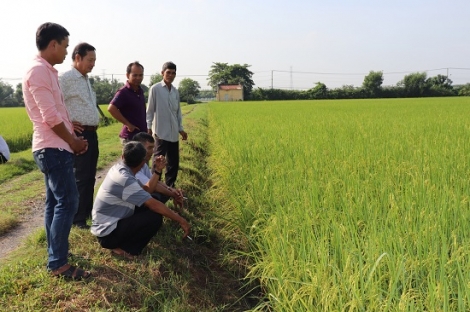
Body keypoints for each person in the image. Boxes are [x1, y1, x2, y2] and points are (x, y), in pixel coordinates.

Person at [23, 22, 90, 280]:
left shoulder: (47, 71)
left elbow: (55, 113)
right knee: (69, 202)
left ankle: (56, 254)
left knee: (55, 202)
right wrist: (72, 142)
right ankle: (59, 264)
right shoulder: (38, 71)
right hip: (52, 148)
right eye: (64, 46)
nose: (66, 52)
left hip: (54, 145)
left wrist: (70, 131)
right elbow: (49, 117)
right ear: (53, 44)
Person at [91, 141, 190, 259]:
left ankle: (124, 242)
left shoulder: (120, 169)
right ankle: (125, 249)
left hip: (108, 225)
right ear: (143, 162)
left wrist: (158, 170)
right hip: (107, 235)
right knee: (154, 217)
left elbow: (146, 190)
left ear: (123, 156)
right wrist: (181, 220)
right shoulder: (125, 179)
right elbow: (154, 205)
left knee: (152, 200)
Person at [59, 42, 99, 229]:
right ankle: (78, 218)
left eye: (94, 60)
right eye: (90, 60)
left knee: (90, 176)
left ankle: (87, 212)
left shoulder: (85, 79)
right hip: (79, 134)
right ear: (77, 58)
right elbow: (53, 104)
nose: (93, 64)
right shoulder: (65, 79)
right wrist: (67, 123)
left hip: (92, 134)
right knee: (81, 177)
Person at [146, 61, 187, 189]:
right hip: (160, 133)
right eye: (168, 72)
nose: (171, 75)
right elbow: (150, 110)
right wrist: (148, 127)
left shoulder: (175, 91)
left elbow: (178, 112)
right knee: (158, 161)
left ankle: (170, 188)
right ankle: (154, 187)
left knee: (173, 163)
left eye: (173, 73)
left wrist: (181, 129)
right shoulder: (155, 89)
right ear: (162, 73)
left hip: (173, 133)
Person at [132, 132, 184, 206]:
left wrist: (170, 189)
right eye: (149, 148)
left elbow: (155, 182)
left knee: (162, 192)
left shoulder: (143, 164)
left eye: (153, 148)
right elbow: (152, 187)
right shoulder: (133, 167)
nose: (153, 151)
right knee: (157, 196)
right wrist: (173, 194)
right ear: (138, 148)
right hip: (127, 209)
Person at [108, 61, 147, 144]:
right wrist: (128, 124)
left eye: (140, 75)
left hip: (141, 136)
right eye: (135, 75)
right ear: (127, 75)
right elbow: (111, 108)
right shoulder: (123, 92)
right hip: (130, 137)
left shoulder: (140, 91)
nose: (138, 78)